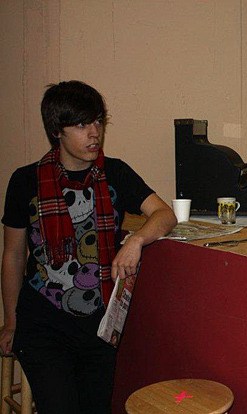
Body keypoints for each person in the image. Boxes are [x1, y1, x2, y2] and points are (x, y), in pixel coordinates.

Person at [0, 80, 178, 413]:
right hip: (43, 323)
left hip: (100, 324)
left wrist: (136, 240)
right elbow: (12, 256)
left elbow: (164, 214)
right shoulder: (25, 181)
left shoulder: (116, 173)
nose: (94, 133)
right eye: (82, 124)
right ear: (57, 130)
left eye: (98, 121)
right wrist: (11, 322)